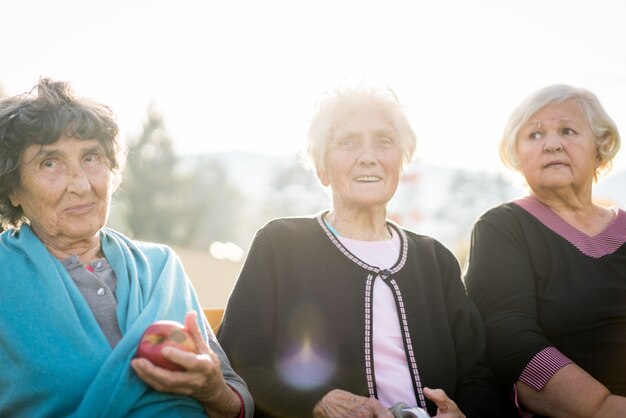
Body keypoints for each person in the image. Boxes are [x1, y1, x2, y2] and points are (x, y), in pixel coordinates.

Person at [217, 86, 502, 418]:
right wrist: (316, 401)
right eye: (348, 142)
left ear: (401, 163)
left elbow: (477, 373)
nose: (368, 156)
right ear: (322, 168)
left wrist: (462, 412)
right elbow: (240, 362)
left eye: (384, 142)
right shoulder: (281, 244)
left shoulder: (435, 260)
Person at [0, 78, 253, 418]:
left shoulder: (162, 267)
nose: (81, 184)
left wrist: (213, 390)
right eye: (50, 163)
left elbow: (239, 403)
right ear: (13, 188)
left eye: (91, 157)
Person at [464, 84, 626, 417]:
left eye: (568, 130)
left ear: (601, 146)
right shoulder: (503, 226)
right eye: (534, 136)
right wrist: (602, 408)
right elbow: (510, 340)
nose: (552, 144)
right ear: (517, 154)